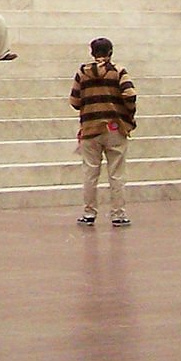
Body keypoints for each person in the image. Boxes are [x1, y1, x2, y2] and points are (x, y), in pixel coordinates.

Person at [71, 38, 136, 228]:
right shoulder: (117, 71)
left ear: (92, 52)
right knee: (116, 173)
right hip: (114, 127)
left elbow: (74, 101)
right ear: (111, 52)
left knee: (90, 172)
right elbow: (130, 94)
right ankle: (118, 214)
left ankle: (89, 213)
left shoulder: (82, 73)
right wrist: (127, 115)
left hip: (90, 129)